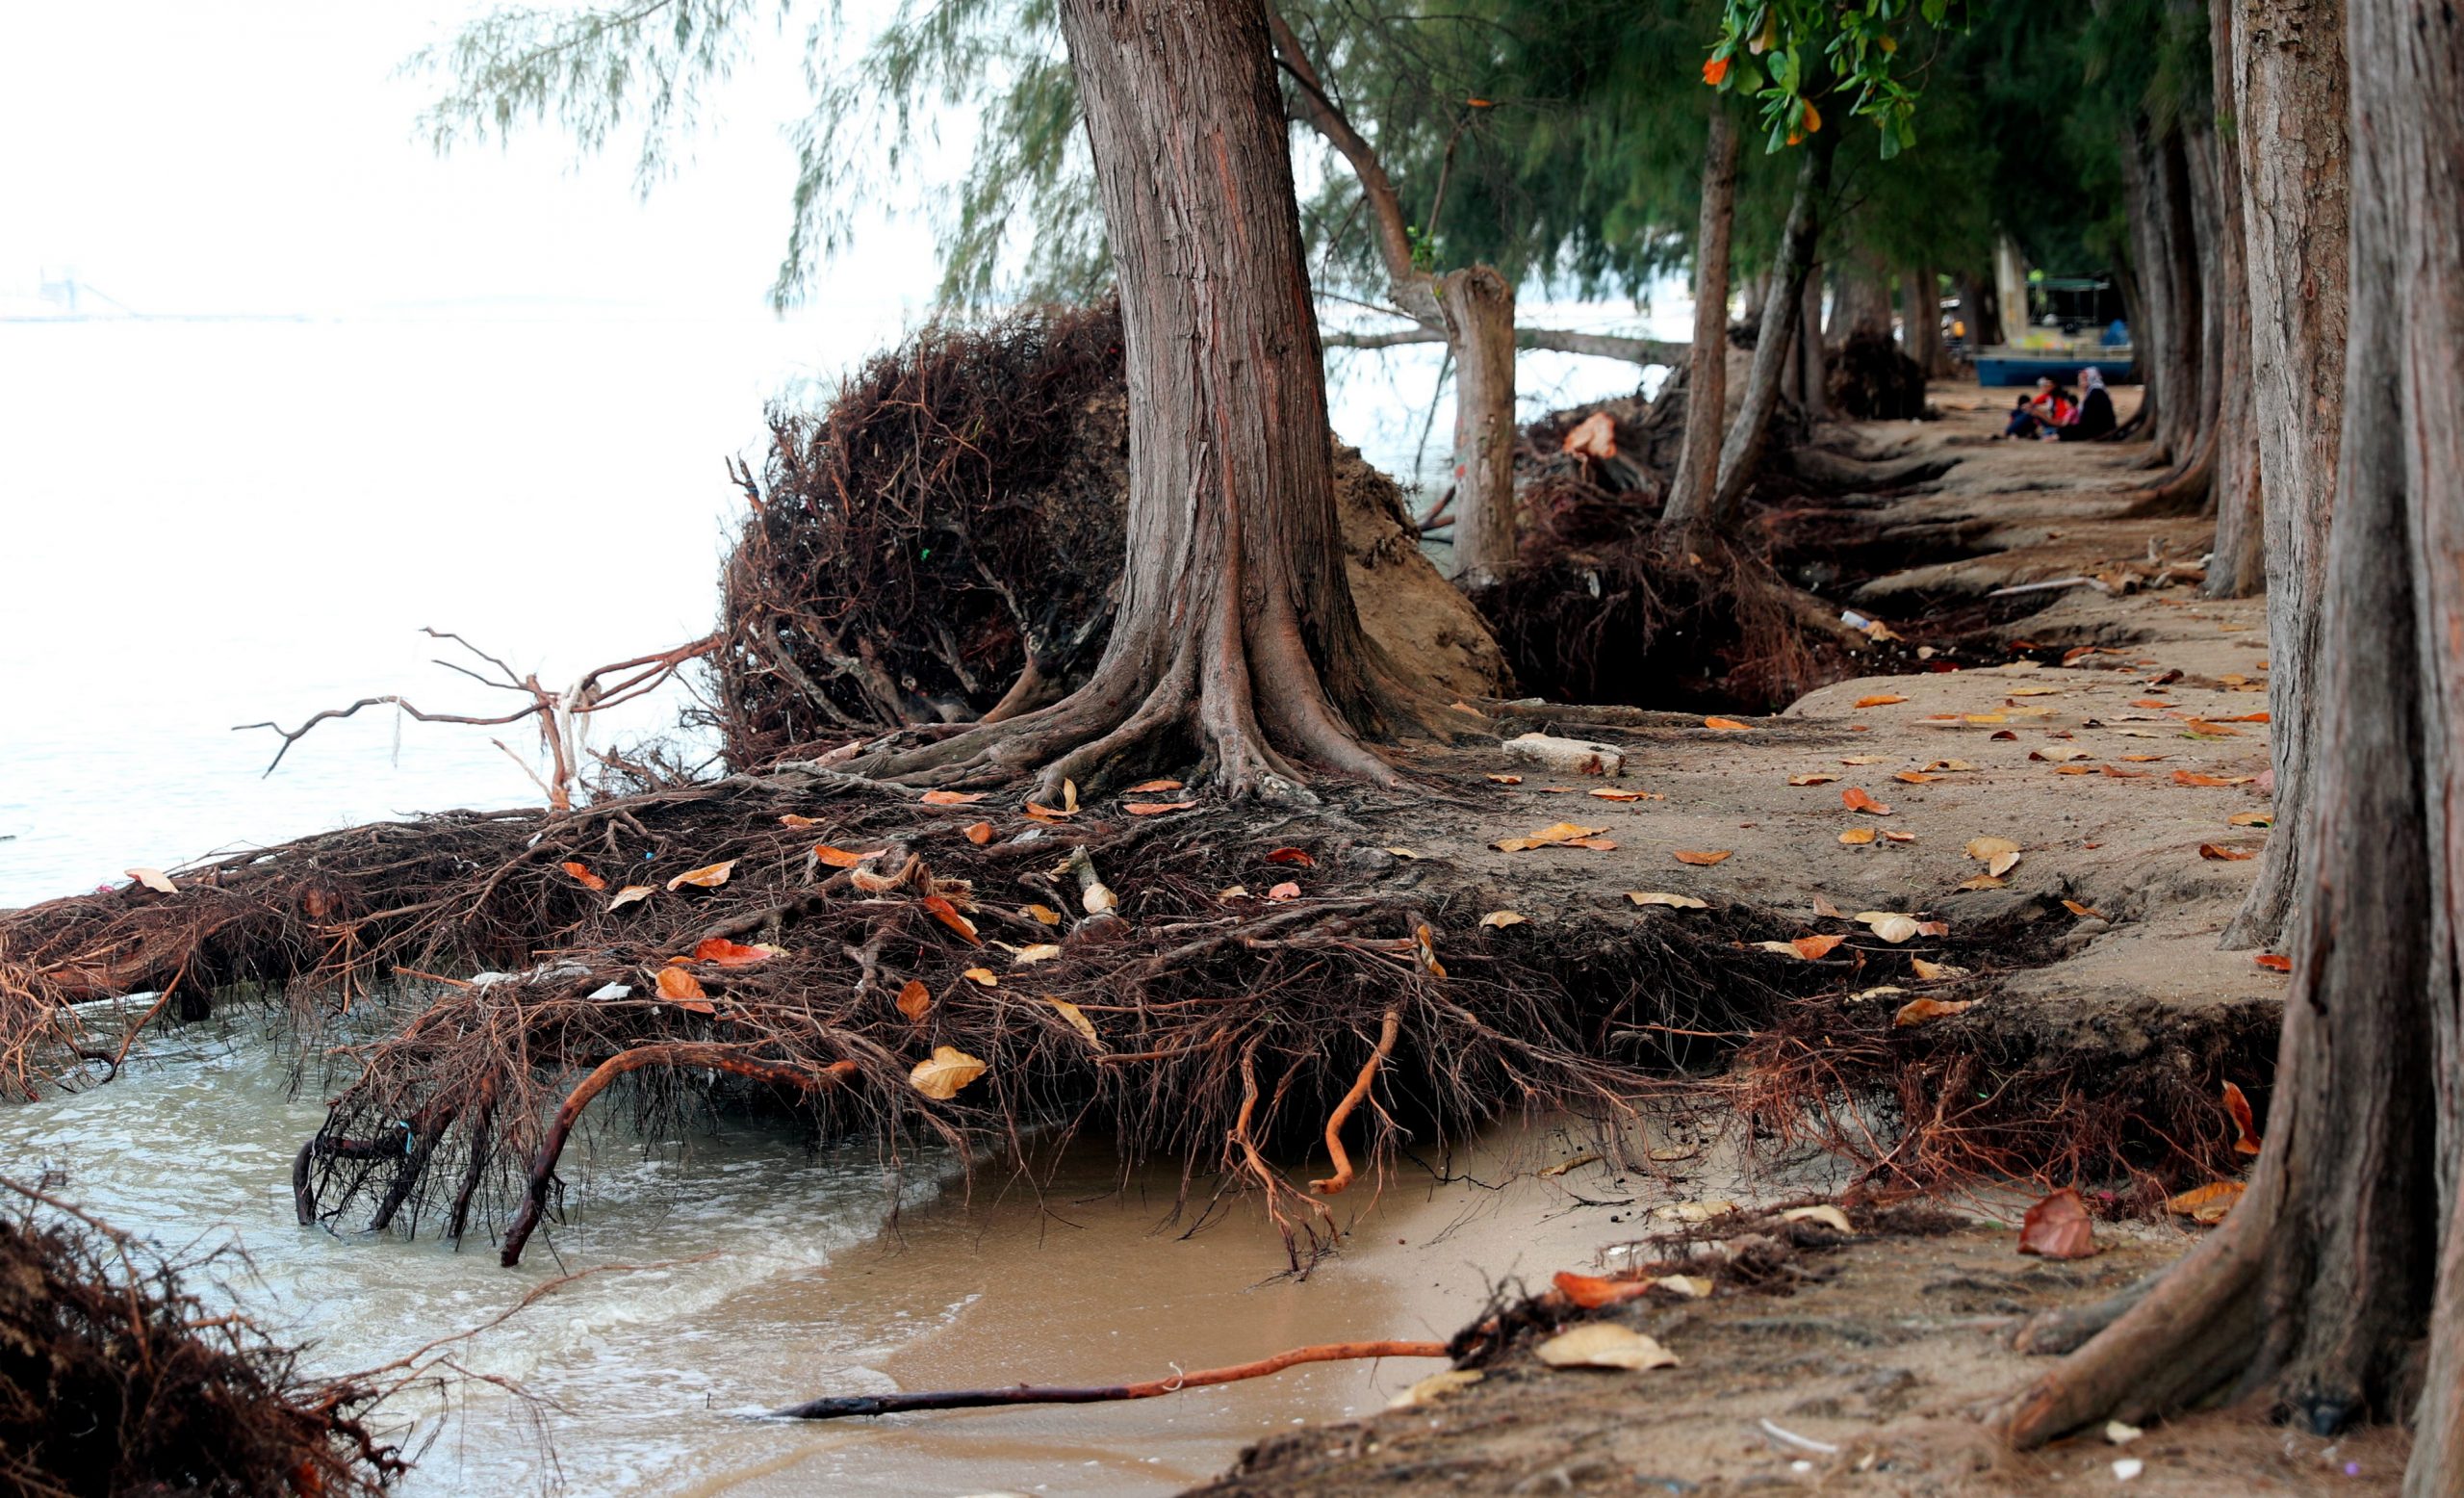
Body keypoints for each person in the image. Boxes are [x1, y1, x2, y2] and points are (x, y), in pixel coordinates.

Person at [2057, 366, 2117, 441]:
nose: (2079, 383)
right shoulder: (2095, 391)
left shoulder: (2096, 393)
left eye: (2082, 380)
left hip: (2098, 429)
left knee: (2063, 431)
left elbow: (2090, 419)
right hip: (2098, 427)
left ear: (2090, 379)